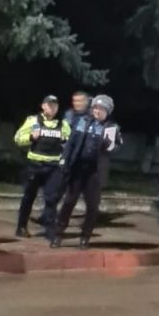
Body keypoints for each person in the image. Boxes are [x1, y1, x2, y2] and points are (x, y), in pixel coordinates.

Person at [51, 95, 120, 249]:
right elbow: (71, 143)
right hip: (78, 169)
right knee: (69, 202)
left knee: (92, 207)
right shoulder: (83, 121)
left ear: (107, 112)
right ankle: (58, 234)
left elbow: (116, 148)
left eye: (101, 109)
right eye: (95, 108)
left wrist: (109, 145)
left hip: (95, 173)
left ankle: (85, 237)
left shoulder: (111, 127)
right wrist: (64, 160)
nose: (97, 111)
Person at [13, 95, 70, 238]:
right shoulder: (33, 121)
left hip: (53, 166)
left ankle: (50, 230)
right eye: (49, 105)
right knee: (28, 197)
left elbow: (70, 143)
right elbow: (18, 139)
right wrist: (31, 137)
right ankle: (21, 227)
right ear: (43, 106)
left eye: (55, 106)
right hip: (35, 165)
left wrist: (65, 141)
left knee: (52, 198)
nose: (52, 108)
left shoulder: (63, 124)